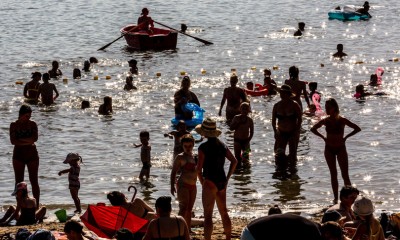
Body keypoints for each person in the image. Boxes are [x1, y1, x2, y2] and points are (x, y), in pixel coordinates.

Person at [310, 98, 361, 203]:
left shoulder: (342, 120)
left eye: (329, 107)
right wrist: (323, 137)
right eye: (326, 107)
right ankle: (336, 198)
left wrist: (346, 137)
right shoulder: (325, 120)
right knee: (333, 174)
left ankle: (350, 197)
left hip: (341, 148)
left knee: (345, 174)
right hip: (329, 149)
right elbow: (313, 129)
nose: (327, 109)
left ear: (335, 108)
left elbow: (357, 128)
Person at [196, 118, 238, 240]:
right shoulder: (222, 145)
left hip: (209, 180)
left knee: (208, 215)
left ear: (204, 133)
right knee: (224, 212)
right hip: (221, 181)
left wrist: (202, 181)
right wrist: (228, 178)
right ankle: (228, 238)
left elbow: (199, 169)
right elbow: (234, 161)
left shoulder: (202, 147)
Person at [10, 105, 41, 207]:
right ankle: (20, 205)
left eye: (29, 116)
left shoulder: (33, 124)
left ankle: (35, 206)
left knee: (34, 181)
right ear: (21, 114)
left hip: (32, 154)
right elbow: (13, 141)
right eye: (26, 116)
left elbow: (34, 139)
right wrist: (28, 141)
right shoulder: (13, 125)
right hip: (18, 155)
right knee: (19, 183)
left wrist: (21, 141)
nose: (28, 118)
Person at [240, 213, 344, 240]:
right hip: (252, 236)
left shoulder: (314, 226)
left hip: (250, 229)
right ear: (327, 234)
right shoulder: (313, 234)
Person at [271, 85, 302, 172]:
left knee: (293, 155)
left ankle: (292, 171)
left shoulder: (295, 105)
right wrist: (275, 131)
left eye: (284, 93)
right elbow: (273, 121)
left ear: (288, 94)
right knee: (279, 154)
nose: (282, 95)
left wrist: (296, 131)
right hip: (281, 132)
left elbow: (300, 119)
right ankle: (281, 173)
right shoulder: (276, 106)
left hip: (292, 132)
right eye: (281, 93)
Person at [170, 134, 197, 229]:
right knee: (183, 209)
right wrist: (172, 186)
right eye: (185, 146)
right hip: (183, 185)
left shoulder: (195, 157)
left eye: (190, 146)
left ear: (193, 145)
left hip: (193, 185)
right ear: (182, 146)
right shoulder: (180, 157)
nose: (188, 148)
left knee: (189, 209)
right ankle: (178, 229)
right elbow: (173, 172)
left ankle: (188, 229)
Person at [230, 102, 254, 167]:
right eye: (243, 109)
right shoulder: (236, 117)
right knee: (237, 158)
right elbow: (231, 128)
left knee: (246, 158)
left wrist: (248, 141)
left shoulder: (250, 120)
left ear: (249, 110)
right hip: (237, 141)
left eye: (246, 109)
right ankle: (238, 173)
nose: (244, 110)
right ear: (240, 109)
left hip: (246, 141)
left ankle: (246, 174)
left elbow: (252, 132)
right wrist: (237, 123)